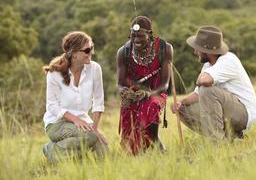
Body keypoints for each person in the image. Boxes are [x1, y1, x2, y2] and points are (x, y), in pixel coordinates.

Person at [171, 26, 256, 141]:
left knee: (207, 90)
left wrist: (199, 80)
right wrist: (180, 103)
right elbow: (197, 94)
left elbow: (204, 81)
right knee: (183, 108)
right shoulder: (208, 65)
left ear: (206, 49)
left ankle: (217, 143)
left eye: (198, 48)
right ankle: (229, 138)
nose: (195, 51)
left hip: (243, 115)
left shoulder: (229, 60)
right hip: (228, 112)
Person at [42, 31, 108, 163]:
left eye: (91, 49)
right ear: (74, 53)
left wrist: (95, 129)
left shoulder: (95, 69)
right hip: (56, 123)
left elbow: (98, 102)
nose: (91, 53)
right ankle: (52, 150)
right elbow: (52, 106)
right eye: (87, 50)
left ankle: (75, 159)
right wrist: (75, 119)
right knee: (90, 136)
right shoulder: (54, 73)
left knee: (104, 150)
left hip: (82, 121)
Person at [116, 15, 173, 155]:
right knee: (132, 145)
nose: (136, 40)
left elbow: (165, 84)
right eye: (133, 36)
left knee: (150, 106)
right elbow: (120, 84)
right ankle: (137, 153)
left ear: (150, 34)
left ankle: (157, 147)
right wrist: (124, 92)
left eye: (140, 36)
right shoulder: (123, 52)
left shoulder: (164, 49)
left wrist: (148, 94)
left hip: (156, 93)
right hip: (134, 95)